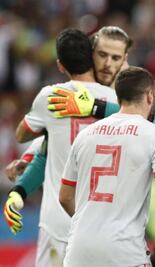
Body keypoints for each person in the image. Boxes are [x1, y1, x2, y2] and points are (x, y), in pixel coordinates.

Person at [3, 26, 133, 235]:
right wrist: (22, 185)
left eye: (115, 58)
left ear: (60, 66)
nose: (108, 64)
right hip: (106, 226)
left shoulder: (53, 96)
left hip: (60, 224)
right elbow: (149, 119)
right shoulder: (124, 103)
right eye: (102, 55)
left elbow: (22, 135)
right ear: (91, 56)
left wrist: (94, 108)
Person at [59, 66, 155, 267]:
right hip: (124, 252)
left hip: (79, 250)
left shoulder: (85, 135)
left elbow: (65, 197)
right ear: (149, 96)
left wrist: (92, 224)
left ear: (119, 98)